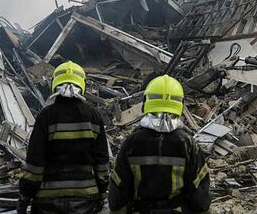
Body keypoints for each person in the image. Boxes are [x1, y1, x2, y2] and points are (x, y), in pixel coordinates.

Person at [108, 75, 210, 214]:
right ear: (180, 105)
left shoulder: (132, 142)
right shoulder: (187, 143)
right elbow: (200, 193)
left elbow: (119, 190)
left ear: (146, 102)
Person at [19, 61, 109, 214]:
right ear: (82, 84)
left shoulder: (46, 116)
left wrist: (25, 197)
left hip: (48, 201)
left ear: (54, 83)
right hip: (85, 198)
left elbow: (35, 163)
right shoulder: (94, 116)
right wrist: (102, 191)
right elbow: (101, 162)